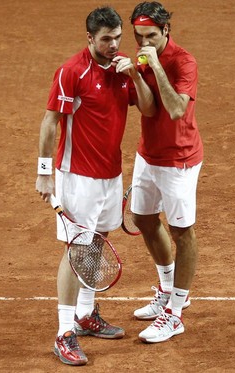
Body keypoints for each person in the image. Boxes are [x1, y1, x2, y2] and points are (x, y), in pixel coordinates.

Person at [35, 6, 155, 366]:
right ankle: (63, 332)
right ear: (90, 38)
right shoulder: (73, 72)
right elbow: (49, 122)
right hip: (78, 177)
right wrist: (44, 173)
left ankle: (85, 315)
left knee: (98, 243)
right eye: (106, 39)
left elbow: (148, 110)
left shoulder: (122, 70)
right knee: (78, 250)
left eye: (118, 37)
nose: (114, 44)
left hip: (110, 174)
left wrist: (135, 75)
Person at [128, 1, 204, 343]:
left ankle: (174, 314)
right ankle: (169, 287)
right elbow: (148, 108)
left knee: (181, 232)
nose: (145, 43)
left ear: (166, 32)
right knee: (142, 218)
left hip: (179, 160)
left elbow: (174, 109)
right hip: (149, 154)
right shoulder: (142, 59)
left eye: (152, 36)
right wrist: (134, 73)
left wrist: (155, 66)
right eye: (140, 37)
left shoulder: (183, 61)